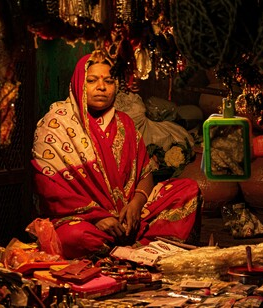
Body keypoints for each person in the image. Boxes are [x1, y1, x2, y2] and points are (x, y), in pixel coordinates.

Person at [31, 50, 203, 259]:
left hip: (130, 219)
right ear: (78, 84)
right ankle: (131, 251)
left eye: (109, 81)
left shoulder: (125, 123)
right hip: (87, 223)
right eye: (92, 80)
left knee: (187, 189)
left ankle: (136, 248)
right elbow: (50, 189)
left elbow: (145, 174)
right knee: (73, 236)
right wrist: (96, 218)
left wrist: (136, 205)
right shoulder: (56, 124)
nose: (101, 87)